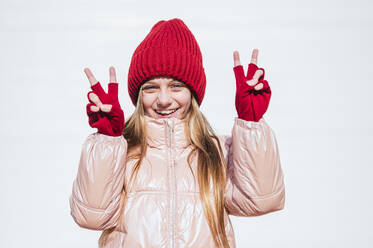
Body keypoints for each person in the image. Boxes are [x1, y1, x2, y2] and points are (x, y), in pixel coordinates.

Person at [69, 18, 285, 248]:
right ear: (139, 96)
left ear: (193, 93)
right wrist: (108, 141)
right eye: (151, 88)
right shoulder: (122, 152)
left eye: (176, 86)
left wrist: (250, 123)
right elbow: (91, 216)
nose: (163, 100)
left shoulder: (216, 152)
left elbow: (261, 201)